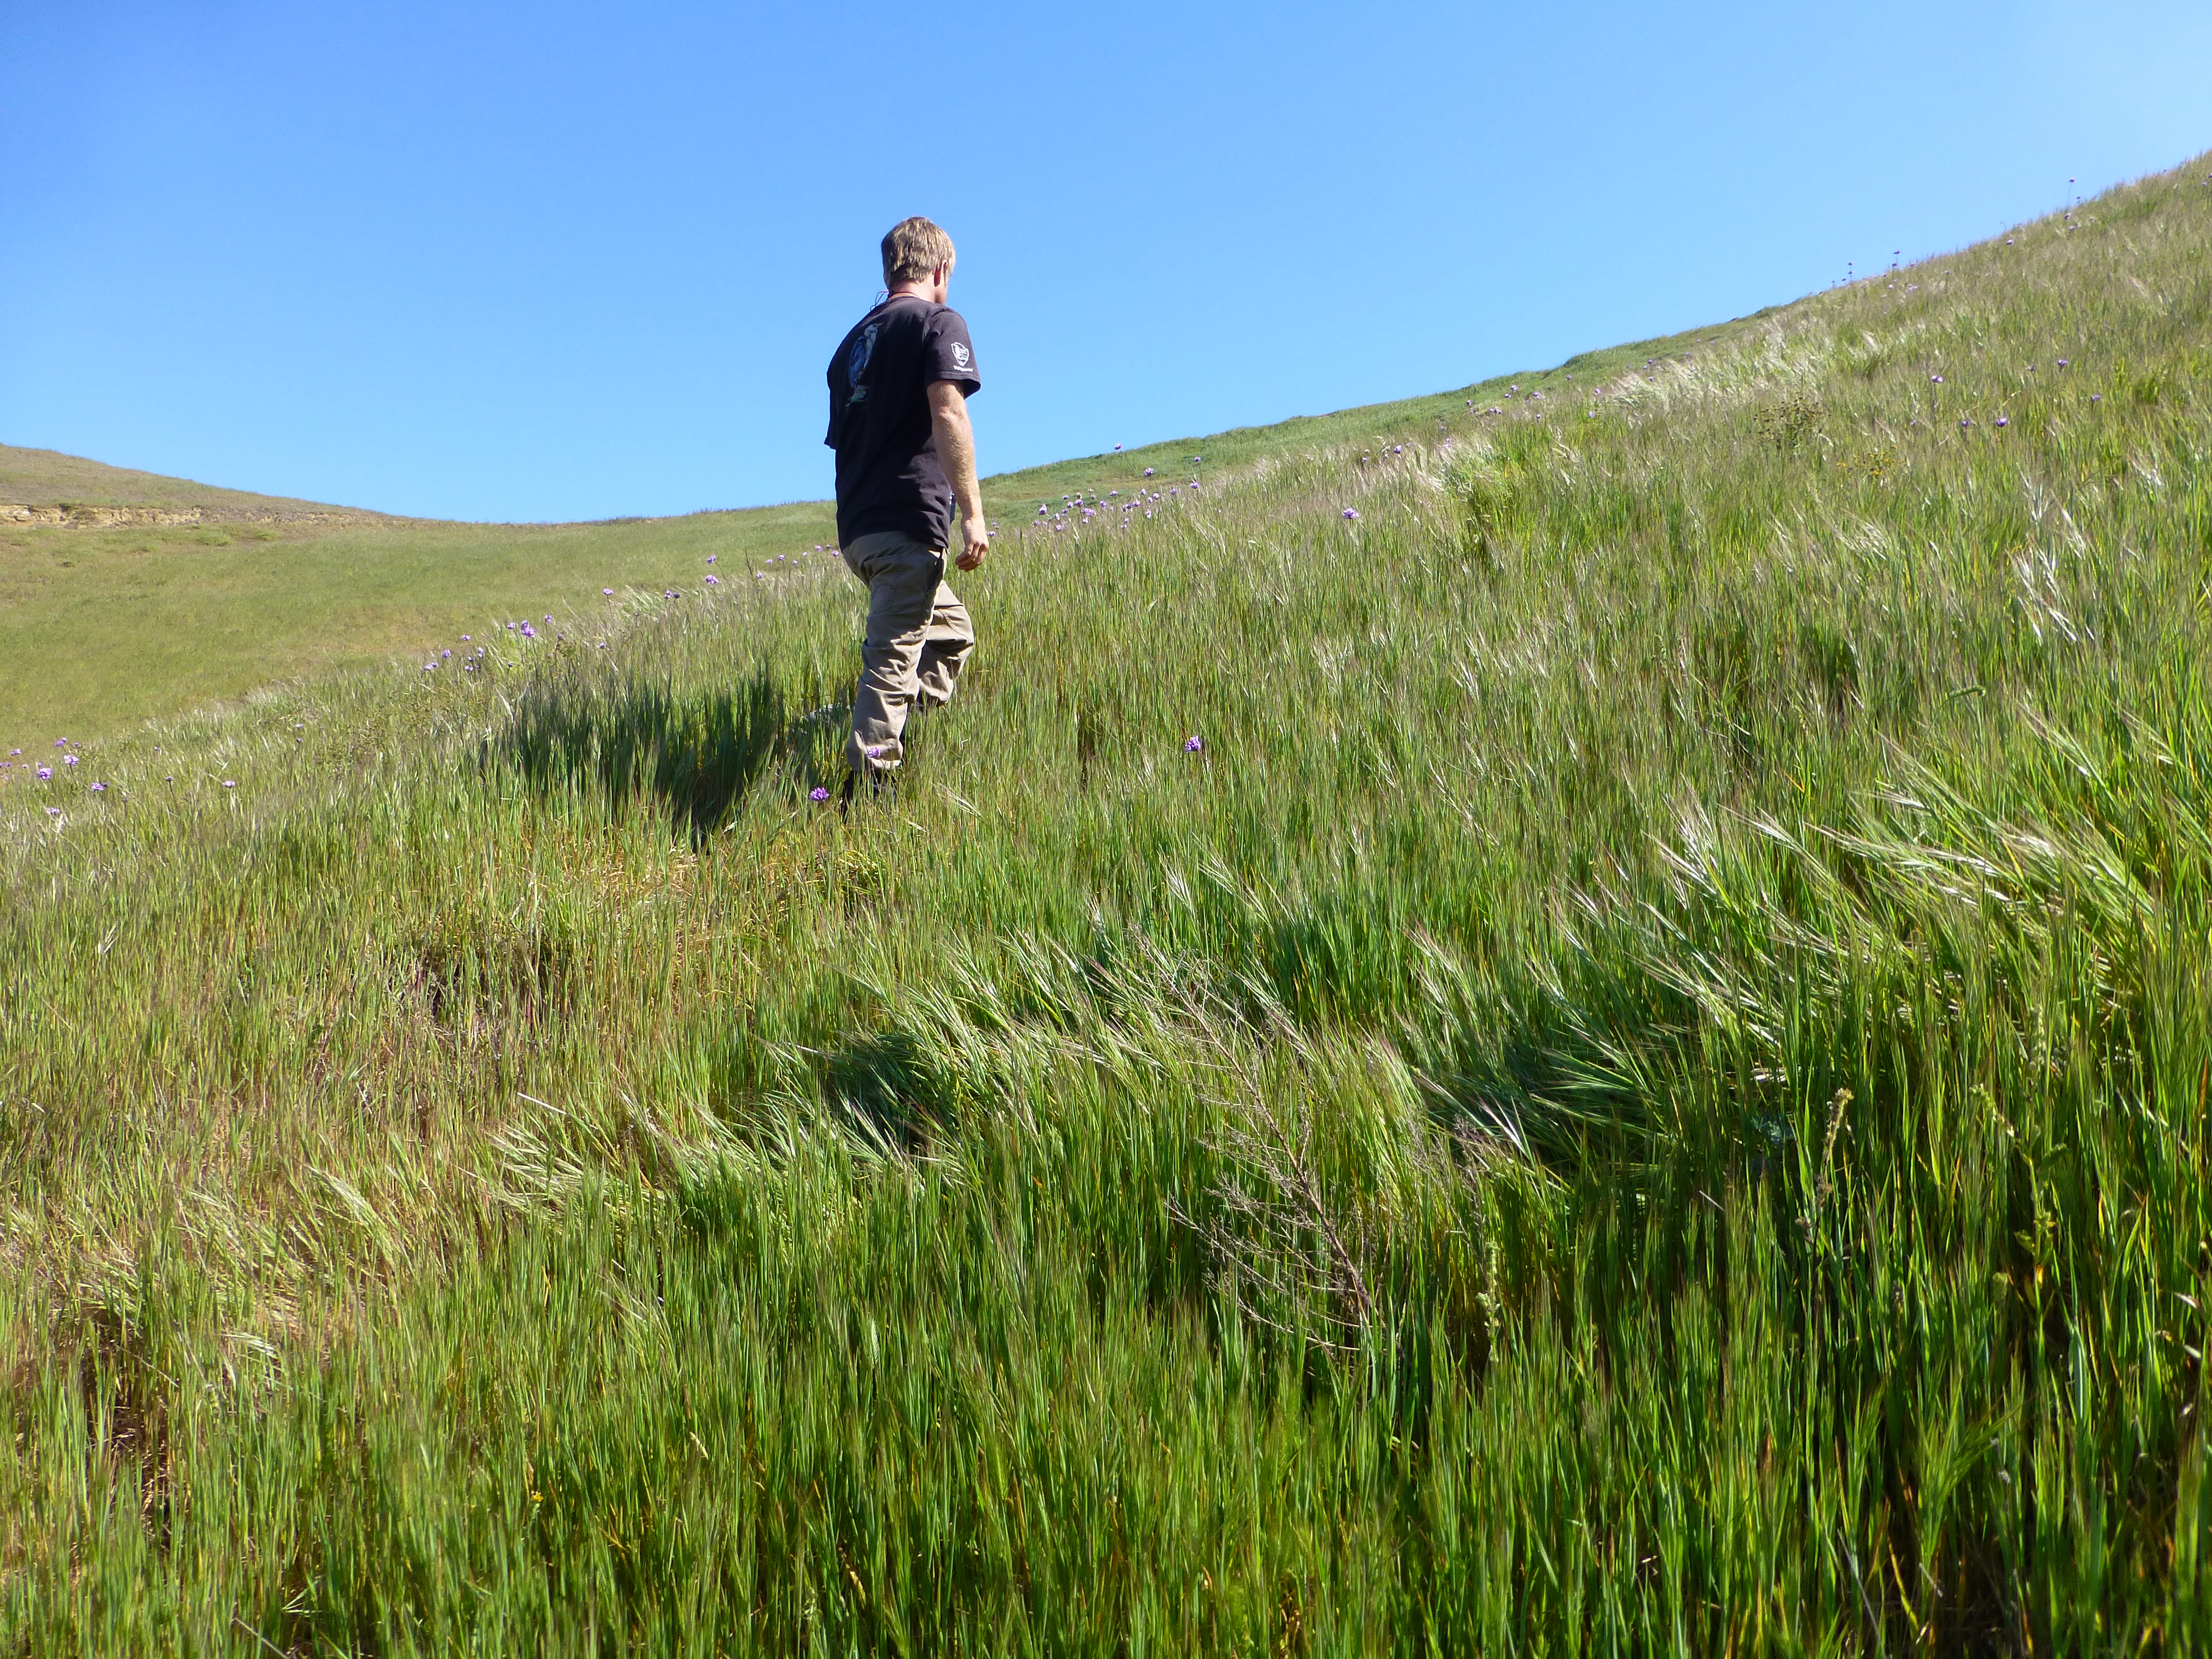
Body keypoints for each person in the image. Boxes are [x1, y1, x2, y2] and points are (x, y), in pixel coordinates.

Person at [824, 216, 988, 802]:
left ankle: (888, 725)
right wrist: (972, 512)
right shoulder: (938, 323)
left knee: (951, 635)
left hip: (860, 529)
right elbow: (948, 412)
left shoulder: (851, 346)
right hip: (908, 523)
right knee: (892, 663)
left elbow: (844, 440)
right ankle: (867, 791)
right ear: (940, 270)